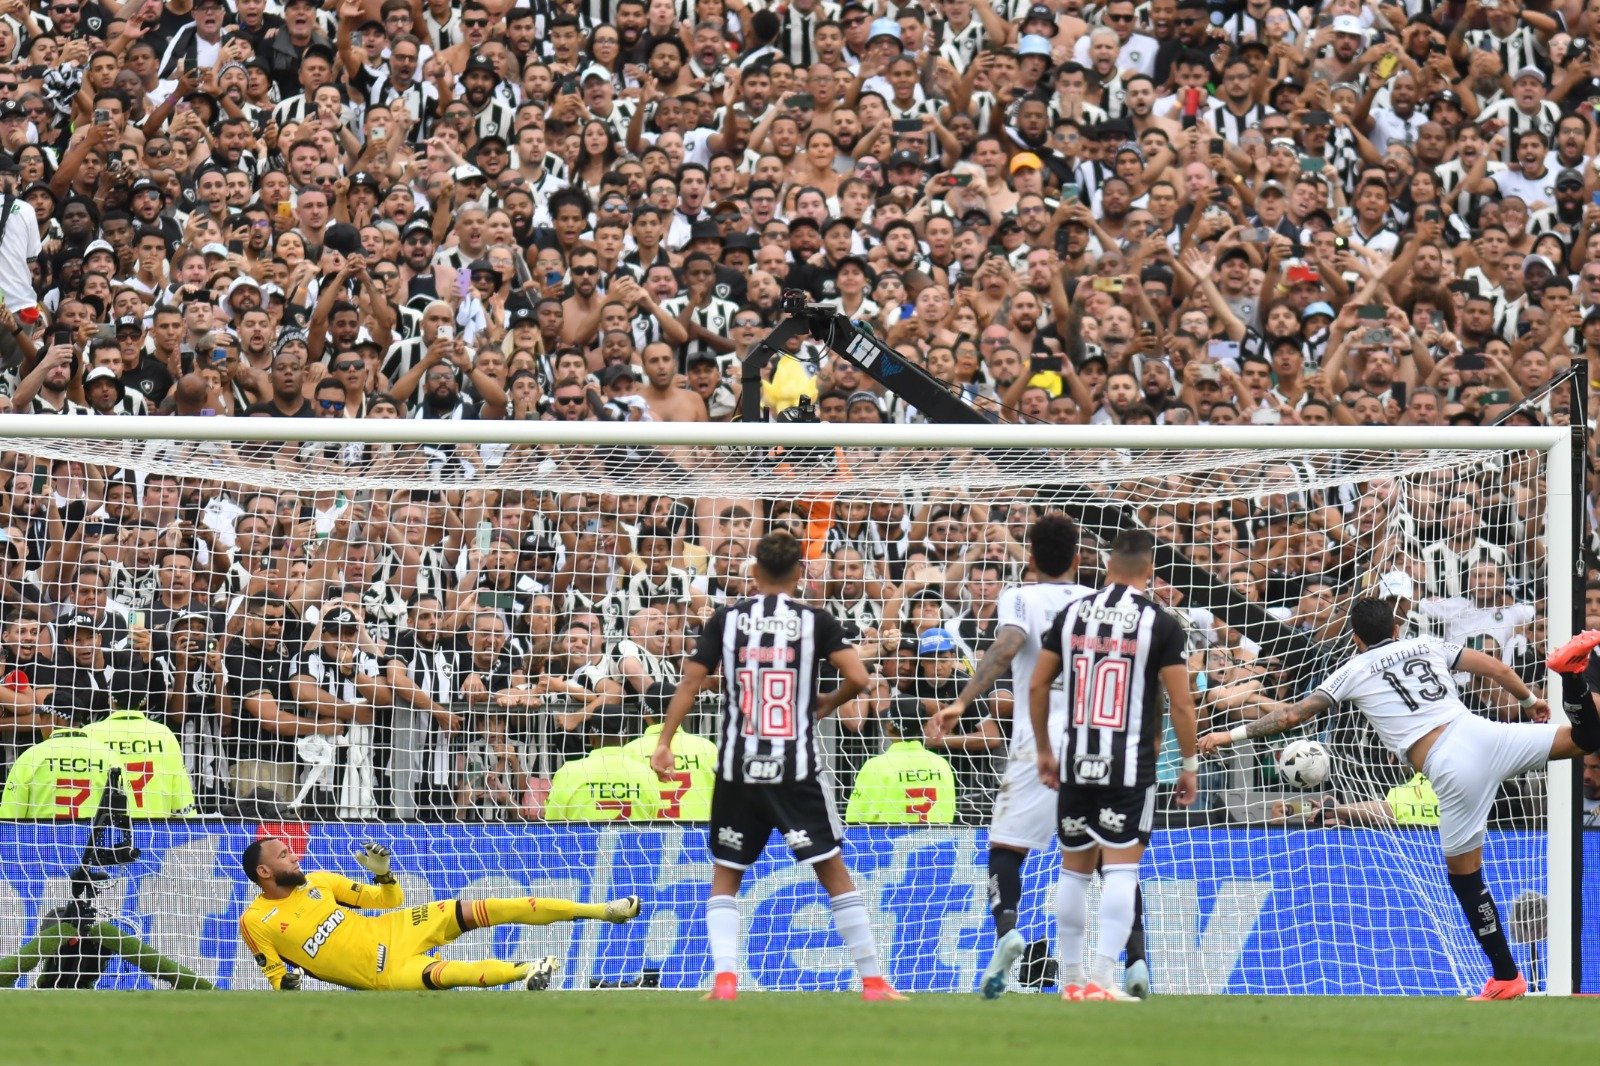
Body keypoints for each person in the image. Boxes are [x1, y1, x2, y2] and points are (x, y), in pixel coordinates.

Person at [1201, 601, 1600, 1000]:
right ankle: (1572, 677)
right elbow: (1495, 668)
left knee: (1465, 878)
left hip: (1451, 765)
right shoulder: (1426, 644)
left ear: (1355, 639)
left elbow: (1291, 716)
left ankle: (1507, 977)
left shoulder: (1352, 670)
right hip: (1486, 734)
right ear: (1396, 629)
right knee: (1584, 740)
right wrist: (1529, 701)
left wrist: (1228, 735)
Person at [650, 529, 901, 1001]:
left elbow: (689, 683)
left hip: (738, 766)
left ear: (754, 571)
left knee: (727, 874)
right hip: (794, 766)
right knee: (833, 873)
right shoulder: (815, 620)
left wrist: (665, 742)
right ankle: (872, 981)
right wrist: (827, 701)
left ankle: (725, 980)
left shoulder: (726, 620)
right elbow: (859, 676)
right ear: (800, 572)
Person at [929, 512, 1155, 999]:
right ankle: (1135, 958)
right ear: (1079, 558)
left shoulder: (1019, 598)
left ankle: (1008, 929)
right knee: (1110, 859)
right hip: (1095, 739)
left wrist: (962, 701)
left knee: (1007, 847)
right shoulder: (1097, 602)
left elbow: (1007, 646)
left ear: (1029, 558)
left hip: (1037, 741)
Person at [1032, 529, 1198, 1002]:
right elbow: (1181, 704)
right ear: (1150, 569)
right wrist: (1188, 764)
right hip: (1129, 764)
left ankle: (1070, 978)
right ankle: (1102, 979)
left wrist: (1044, 749)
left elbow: (1038, 684)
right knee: (1122, 871)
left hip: (1076, 759)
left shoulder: (1072, 614)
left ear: (1106, 565)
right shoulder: (1160, 623)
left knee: (1073, 871)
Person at [238, 836, 641, 991]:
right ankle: (531, 969)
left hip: (396, 928)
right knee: (452, 974)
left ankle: (603, 911)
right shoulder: (255, 922)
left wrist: (384, 875)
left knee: (489, 908)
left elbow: (388, 901)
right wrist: (288, 981)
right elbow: (276, 978)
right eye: (284, 855)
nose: (295, 857)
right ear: (264, 872)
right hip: (381, 974)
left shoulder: (320, 881)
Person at [544, 703, 664, 821]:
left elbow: (553, 821)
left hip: (582, 835)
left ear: (591, 737)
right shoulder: (646, 774)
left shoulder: (569, 773)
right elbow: (654, 817)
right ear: (626, 738)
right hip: (633, 835)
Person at [844, 698, 956, 824]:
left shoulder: (876, 767)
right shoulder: (941, 764)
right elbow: (948, 810)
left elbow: (855, 818)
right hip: (937, 836)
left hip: (890, 837)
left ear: (889, 725)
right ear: (923, 726)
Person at [82, 705, 197, 817]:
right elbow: (183, 810)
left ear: (110, 698)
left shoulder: (88, 734)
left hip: (103, 827)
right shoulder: (164, 735)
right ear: (144, 701)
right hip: (153, 827)